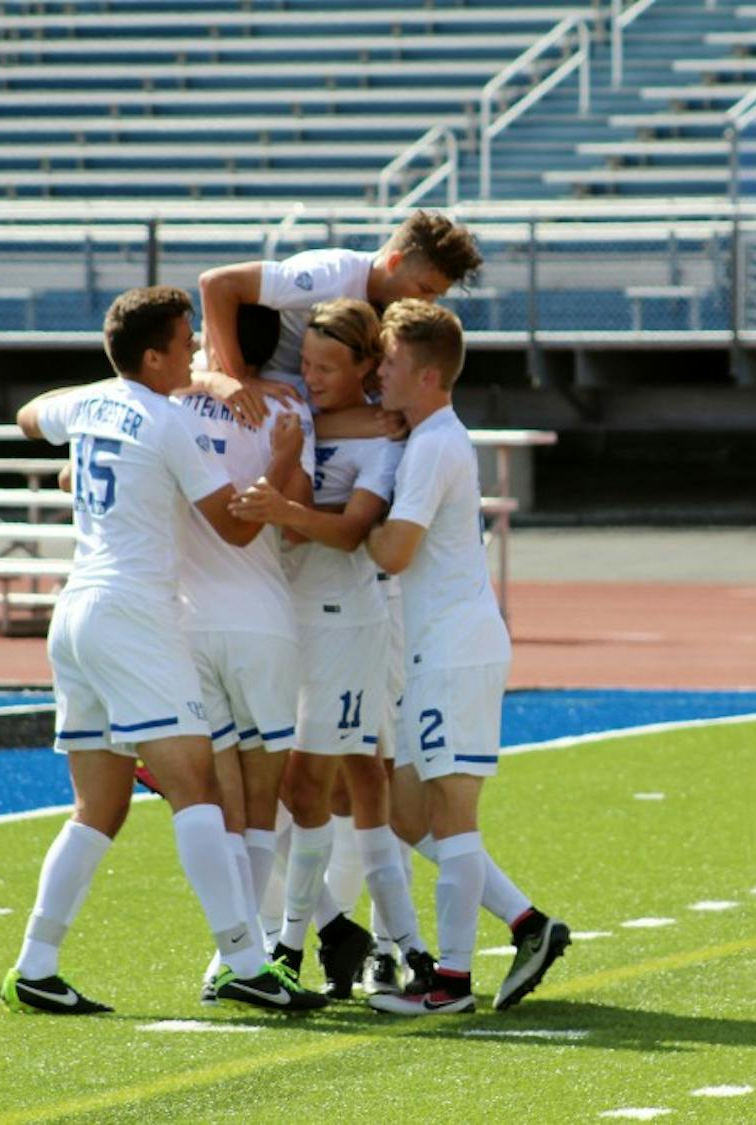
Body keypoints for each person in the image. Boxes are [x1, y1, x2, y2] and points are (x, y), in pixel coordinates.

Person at [1, 285, 326, 1015]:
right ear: (153, 357)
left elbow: (28, 417)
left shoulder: (92, 402)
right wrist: (278, 465)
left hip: (76, 613)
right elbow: (239, 531)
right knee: (198, 791)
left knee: (99, 807)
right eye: (184, 344)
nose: (196, 354)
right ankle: (246, 959)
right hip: (134, 617)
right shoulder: (167, 420)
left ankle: (35, 963)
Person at [363, 300, 570, 1015]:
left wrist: (330, 517)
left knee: (451, 814)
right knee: (407, 812)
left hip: (454, 649)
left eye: (388, 363)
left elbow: (392, 549)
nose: (377, 373)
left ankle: (450, 982)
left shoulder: (434, 444)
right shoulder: (427, 437)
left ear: (425, 374)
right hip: (437, 649)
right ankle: (528, 923)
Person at [230, 298, 435, 998]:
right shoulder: (300, 414)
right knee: (325, 780)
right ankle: (380, 940)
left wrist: (283, 501)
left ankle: (311, 942)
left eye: (327, 366)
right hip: (289, 617)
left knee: (333, 782)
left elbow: (348, 533)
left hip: (349, 619)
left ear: (366, 367)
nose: (311, 376)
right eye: (306, 363)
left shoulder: (389, 437)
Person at [197, 210, 484, 425]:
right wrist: (235, 381)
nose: (426, 302)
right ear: (395, 263)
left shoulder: (396, 313)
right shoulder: (327, 275)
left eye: (436, 295)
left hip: (313, 406)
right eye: (424, 289)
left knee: (394, 425)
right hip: (267, 394)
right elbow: (216, 283)